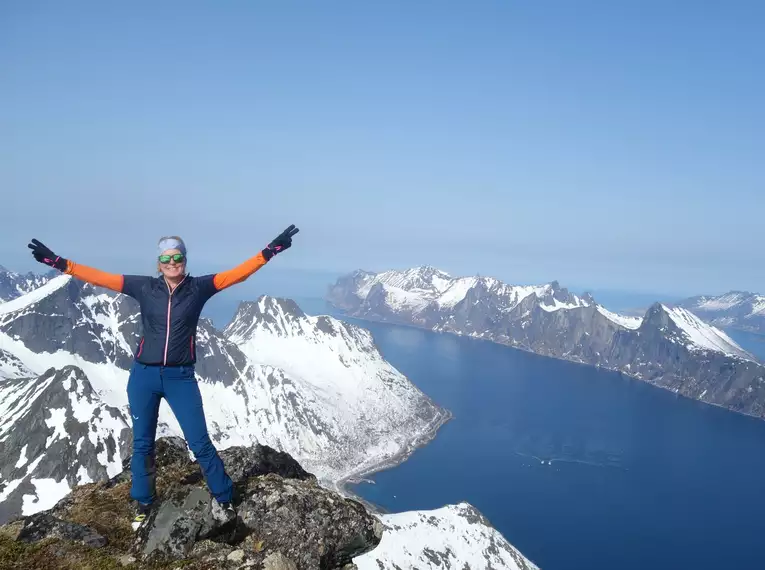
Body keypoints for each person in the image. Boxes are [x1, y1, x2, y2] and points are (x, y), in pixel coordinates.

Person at [27, 225, 300, 529]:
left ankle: (224, 496)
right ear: (158, 263)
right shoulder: (144, 287)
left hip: (180, 377)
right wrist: (59, 263)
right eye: (167, 259)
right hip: (143, 376)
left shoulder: (199, 288)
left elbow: (239, 274)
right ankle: (143, 504)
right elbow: (99, 277)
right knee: (142, 444)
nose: (173, 263)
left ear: (185, 260)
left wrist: (270, 251)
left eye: (178, 257)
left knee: (199, 442)